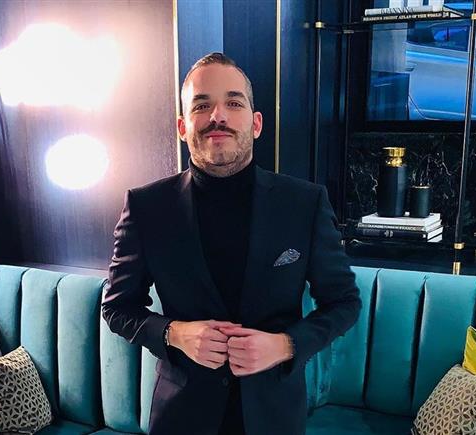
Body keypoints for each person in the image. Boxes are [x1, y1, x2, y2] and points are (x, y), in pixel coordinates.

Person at [101, 52, 361, 435]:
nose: (217, 116)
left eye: (234, 103)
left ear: (256, 124)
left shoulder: (304, 204)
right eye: (201, 105)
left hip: (274, 417)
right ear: (183, 126)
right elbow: (117, 308)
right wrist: (174, 333)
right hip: (182, 418)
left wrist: (286, 345)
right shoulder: (146, 207)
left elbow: (344, 302)